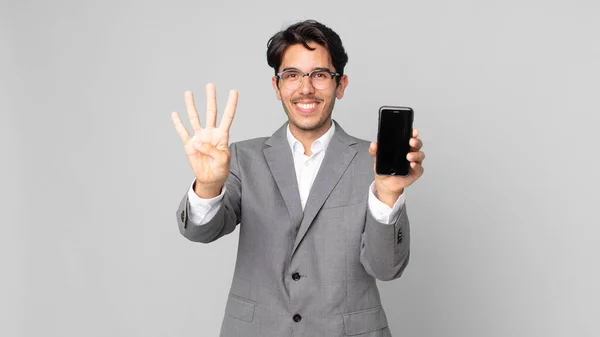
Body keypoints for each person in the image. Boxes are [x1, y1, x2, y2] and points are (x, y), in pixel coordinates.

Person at [171, 19, 425, 337]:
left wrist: (387, 195)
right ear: (277, 87)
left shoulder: (372, 163)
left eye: (319, 75)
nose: (305, 88)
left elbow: (387, 268)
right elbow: (201, 231)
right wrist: (209, 185)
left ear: (341, 84)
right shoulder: (241, 158)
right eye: (292, 75)